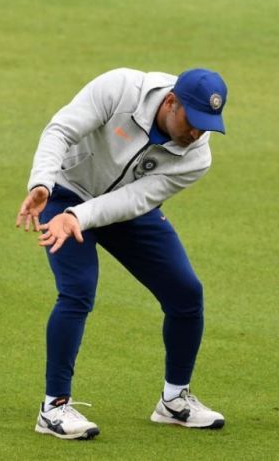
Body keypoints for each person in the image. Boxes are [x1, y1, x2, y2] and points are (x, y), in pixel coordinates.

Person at [16, 67, 229, 440]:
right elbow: (61, 130)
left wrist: (78, 218)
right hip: (64, 190)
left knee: (186, 293)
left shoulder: (197, 157)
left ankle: (174, 400)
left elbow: (134, 199)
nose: (197, 132)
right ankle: (53, 408)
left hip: (123, 209)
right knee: (78, 290)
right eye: (192, 121)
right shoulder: (120, 88)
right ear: (170, 102)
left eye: (206, 124)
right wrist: (42, 184)